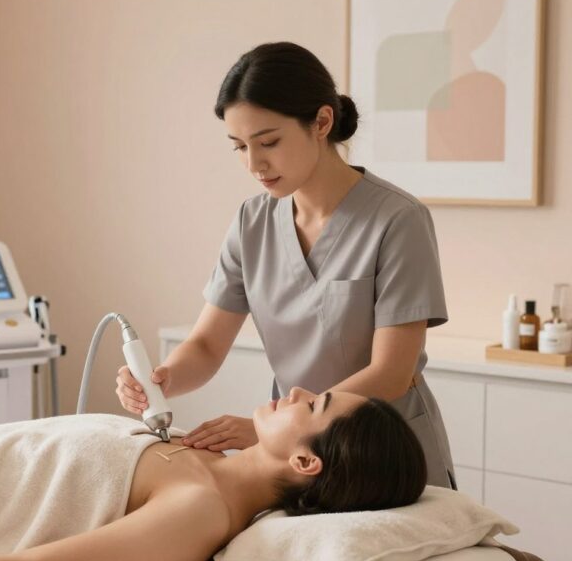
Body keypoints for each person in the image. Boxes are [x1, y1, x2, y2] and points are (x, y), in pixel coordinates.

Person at [116, 41, 456, 489]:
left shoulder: (397, 220)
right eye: (238, 147)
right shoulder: (252, 222)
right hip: (293, 457)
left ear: (321, 122)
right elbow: (205, 345)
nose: (254, 164)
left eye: (269, 142)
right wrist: (160, 381)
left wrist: (269, 429)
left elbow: (391, 373)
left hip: (382, 456)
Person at [0, 389, 426, 561]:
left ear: (307, 463)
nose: (296, 391)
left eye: (313, 405)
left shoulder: (202, 510)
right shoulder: (203, 454)